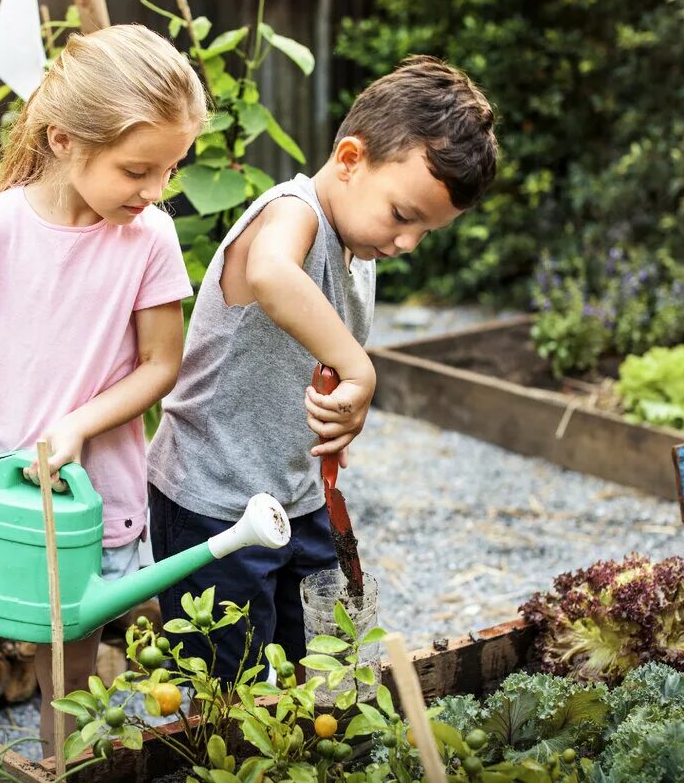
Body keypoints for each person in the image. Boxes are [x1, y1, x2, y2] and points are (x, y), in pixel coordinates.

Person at [0, 24, 205, 760]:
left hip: (86, 496)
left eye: (170, 168)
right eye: (139, 169)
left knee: (68, 681)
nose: (157, 191)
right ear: (67, 140)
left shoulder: (151, 239)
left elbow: (161, 364)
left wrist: (78, 423)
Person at [147, 56, 499, 682]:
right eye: (402, 215)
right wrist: (359, 367)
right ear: (350, 159)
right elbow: (272, 275)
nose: (408, 244)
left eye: (427, 231)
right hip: (215, 503)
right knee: (226, 691)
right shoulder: (294, 212)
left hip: (297, 499)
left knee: (315, 668)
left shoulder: (359, 248)